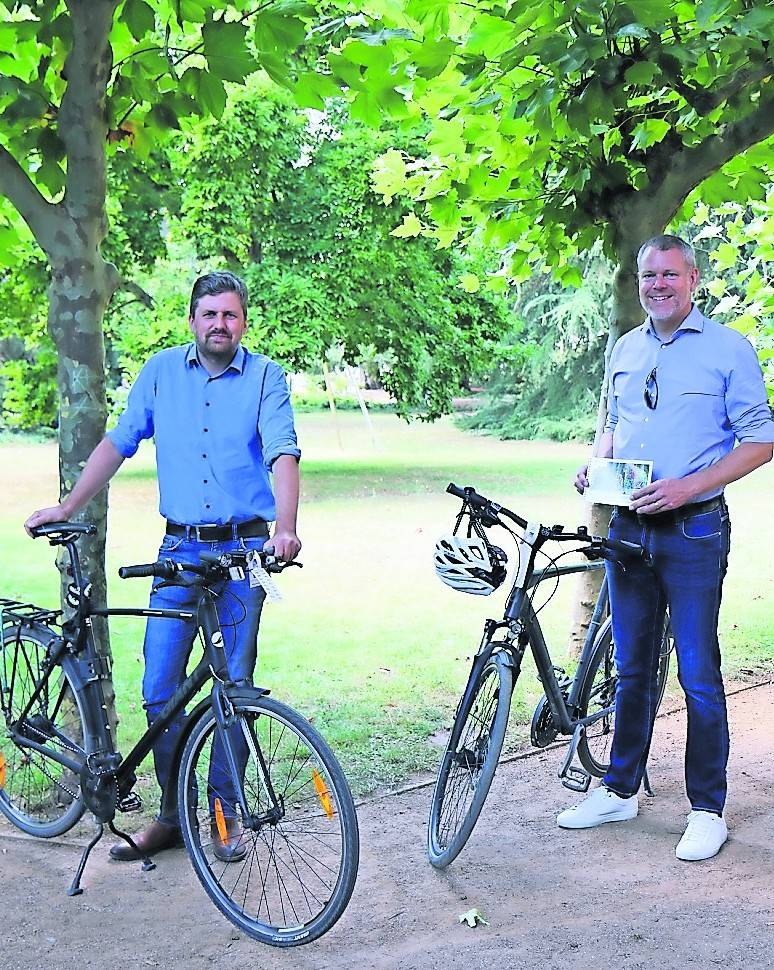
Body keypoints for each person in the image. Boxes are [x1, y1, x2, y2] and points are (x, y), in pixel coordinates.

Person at [25, 270, 301, 862]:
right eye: (209, 314)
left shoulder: (265, 379)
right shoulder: (159, 375)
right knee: (159, 690)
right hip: (178, 552)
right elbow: (119, 442)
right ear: (193, 319)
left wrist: (284, 527)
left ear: (243, 321)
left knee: (234, 691)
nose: (219, 325)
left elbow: (283, 452)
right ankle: (175, 815)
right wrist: (69, 504)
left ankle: (226, 817)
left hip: (242, 555)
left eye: (230, 315)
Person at [561, 235, 773, 860]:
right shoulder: (625, 349)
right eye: (647, 275)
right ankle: (620, 788)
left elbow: (761, 442)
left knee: (699, 674)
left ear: (693, 279)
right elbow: (613, 427)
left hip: (694, 530)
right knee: (630, 670)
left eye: (669, 275)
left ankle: (708, 808)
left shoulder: (729, 350)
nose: (657, 284)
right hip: (627, 528)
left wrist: (687, 488)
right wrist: (594, 463)